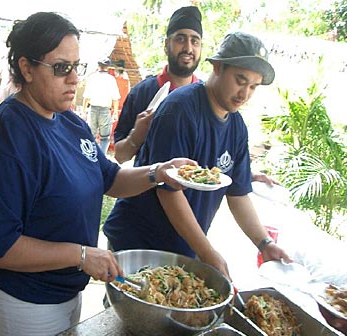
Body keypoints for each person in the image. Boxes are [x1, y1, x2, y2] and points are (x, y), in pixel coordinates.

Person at [0, 12, 194, 336]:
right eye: (62, 68)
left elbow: (110, 178)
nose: (74, 79)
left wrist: (158, 172)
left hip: (66, 290)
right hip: (23, 302)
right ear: (26, 68)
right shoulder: (8, 138)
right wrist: (80, 255)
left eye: (77, 66)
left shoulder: (69, 121)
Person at [104, 32, 292, 280]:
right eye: (240, 80)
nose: (244, 93)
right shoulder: (180, 109)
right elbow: (169, 191)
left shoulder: (237, 127)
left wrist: (264, 243)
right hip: (139, 242)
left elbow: (238, 193)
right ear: (217, 67)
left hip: (181, 247)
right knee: (130, 316)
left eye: (253, 87)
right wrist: (207, 252)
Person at [113, 6, 203, 164]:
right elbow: (120, 156)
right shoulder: (141, 93)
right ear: (166, 45)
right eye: (180, 39)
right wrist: (136, 136)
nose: (188, 48)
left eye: (194, 41)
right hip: (145, 188)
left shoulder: (207, 98)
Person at [82, 58, 120, 154]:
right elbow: (115, 98)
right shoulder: (111, 80)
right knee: (104, 138)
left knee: (91, 136)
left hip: (93, 109)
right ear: (108, 67)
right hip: (105, 110)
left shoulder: (92, 77)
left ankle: (91, 155)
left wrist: (84, 110)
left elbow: (86, 97)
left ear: (98, 66)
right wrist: (115, 113)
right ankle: (102, 157)